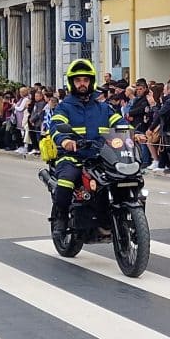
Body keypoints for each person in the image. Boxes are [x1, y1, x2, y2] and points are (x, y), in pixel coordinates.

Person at [49, 59, 123, 236]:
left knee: (118, 179)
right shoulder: (64, 107)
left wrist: (135, 133)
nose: (82, 83)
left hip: (101, 157)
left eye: (85, 80)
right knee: (67, 180)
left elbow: (119, 123)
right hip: (73, 157)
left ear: (91, 81)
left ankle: (112, 219)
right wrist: (65, 140)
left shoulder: (103, 108)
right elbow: (56, 126)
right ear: (72, 83)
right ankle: (61, 218)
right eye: (78, 80)